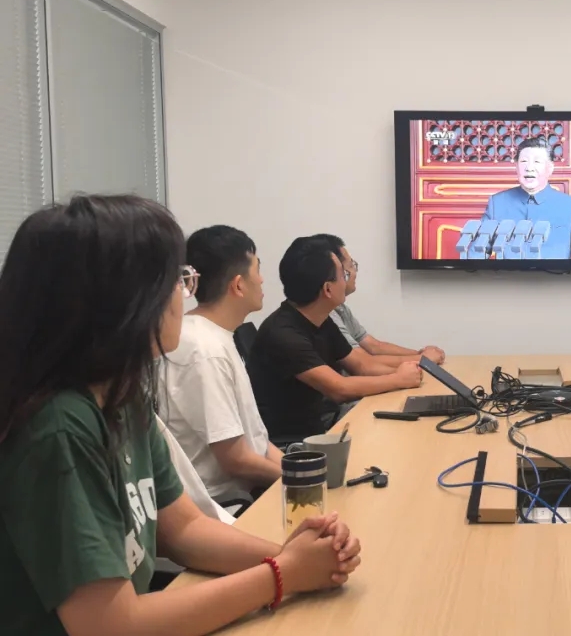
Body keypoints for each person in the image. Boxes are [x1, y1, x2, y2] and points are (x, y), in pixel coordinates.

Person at [0, 195, 360, 636]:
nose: (183, 295)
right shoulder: (59, 426)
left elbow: (183, 529)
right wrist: (282, 573)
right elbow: (111, 626)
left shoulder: (122, 397)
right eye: (176, 280)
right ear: (121, 300)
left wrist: (294, 557)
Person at [247, 237, 423, 440]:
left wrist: (412, 372)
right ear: (327, 289)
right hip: (294, 445)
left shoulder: (320, 319)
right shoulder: (283, 334)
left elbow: (362, 365)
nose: (346, 280)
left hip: (320, 429)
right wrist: (398, 379)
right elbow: (339, 389)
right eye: (343, 275)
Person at [159, 225, 281, 502]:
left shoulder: (213, 335)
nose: (262, 280)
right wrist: (302, 479)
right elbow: (236, 459)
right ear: (238, 285)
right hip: (225, 505)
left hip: (249, 490)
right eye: (258, 270)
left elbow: (257, 444)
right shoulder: (205, 350)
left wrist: (306, 471)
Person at [310, 234, 445, 365]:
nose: (354, 273)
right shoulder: (326, 315)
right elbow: (362, 363)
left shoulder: (339, 307)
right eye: (350, 266)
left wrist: (419, 354)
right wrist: (423, 360)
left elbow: (373, 346)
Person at [480, 137, 571, 260]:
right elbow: (479, 249)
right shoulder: (497, 203)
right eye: (524, 161)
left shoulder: (570, 206)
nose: (529, 168)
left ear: (550, 168)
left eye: (537, 162)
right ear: (516, 166)